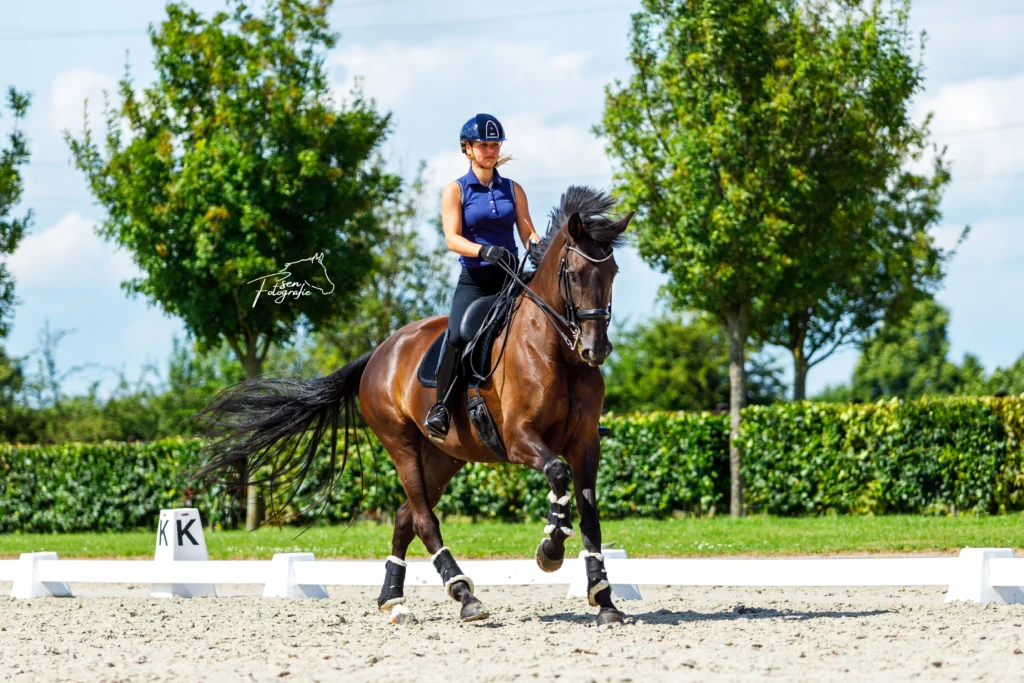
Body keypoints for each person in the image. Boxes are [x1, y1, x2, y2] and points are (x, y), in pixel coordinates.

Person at [423, 113, 539, 443]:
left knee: (549, 321)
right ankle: (441, 408)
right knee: (458, 336)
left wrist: (538, 243)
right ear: (468, 149)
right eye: (483, 145)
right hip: (475, 281)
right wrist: (482, 250)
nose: (490, 151)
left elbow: (527, 230)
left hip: (509, 280)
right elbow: (451, 238)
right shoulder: (455, 190)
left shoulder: (513, 189)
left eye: (495, 145)